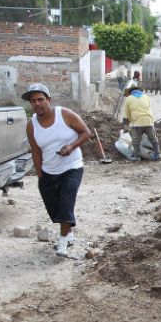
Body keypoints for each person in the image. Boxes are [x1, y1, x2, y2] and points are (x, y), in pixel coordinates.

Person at [22, 83, 92, 257]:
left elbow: (86, 132)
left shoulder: (64, 114)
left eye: (40, 99)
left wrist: (71, 147)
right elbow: (36, 152)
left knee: (66, 202)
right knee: (55, 208)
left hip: (72, 167)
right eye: (33, 101)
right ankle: (68, 233)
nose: (37, 104)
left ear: (49, 100)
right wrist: (40, 175)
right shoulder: (31, 125)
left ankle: (62, 243)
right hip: (48, 171)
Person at [123, 83, 161, 161]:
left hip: (137, 122)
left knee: (135, 141)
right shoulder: (146, 97)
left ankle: (137, 156)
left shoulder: (129, 98)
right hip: (149, 121)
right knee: (153, 138)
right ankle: (158, 154)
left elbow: (127, 113)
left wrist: (131, 121)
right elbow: (148, 108)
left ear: (131, 92)